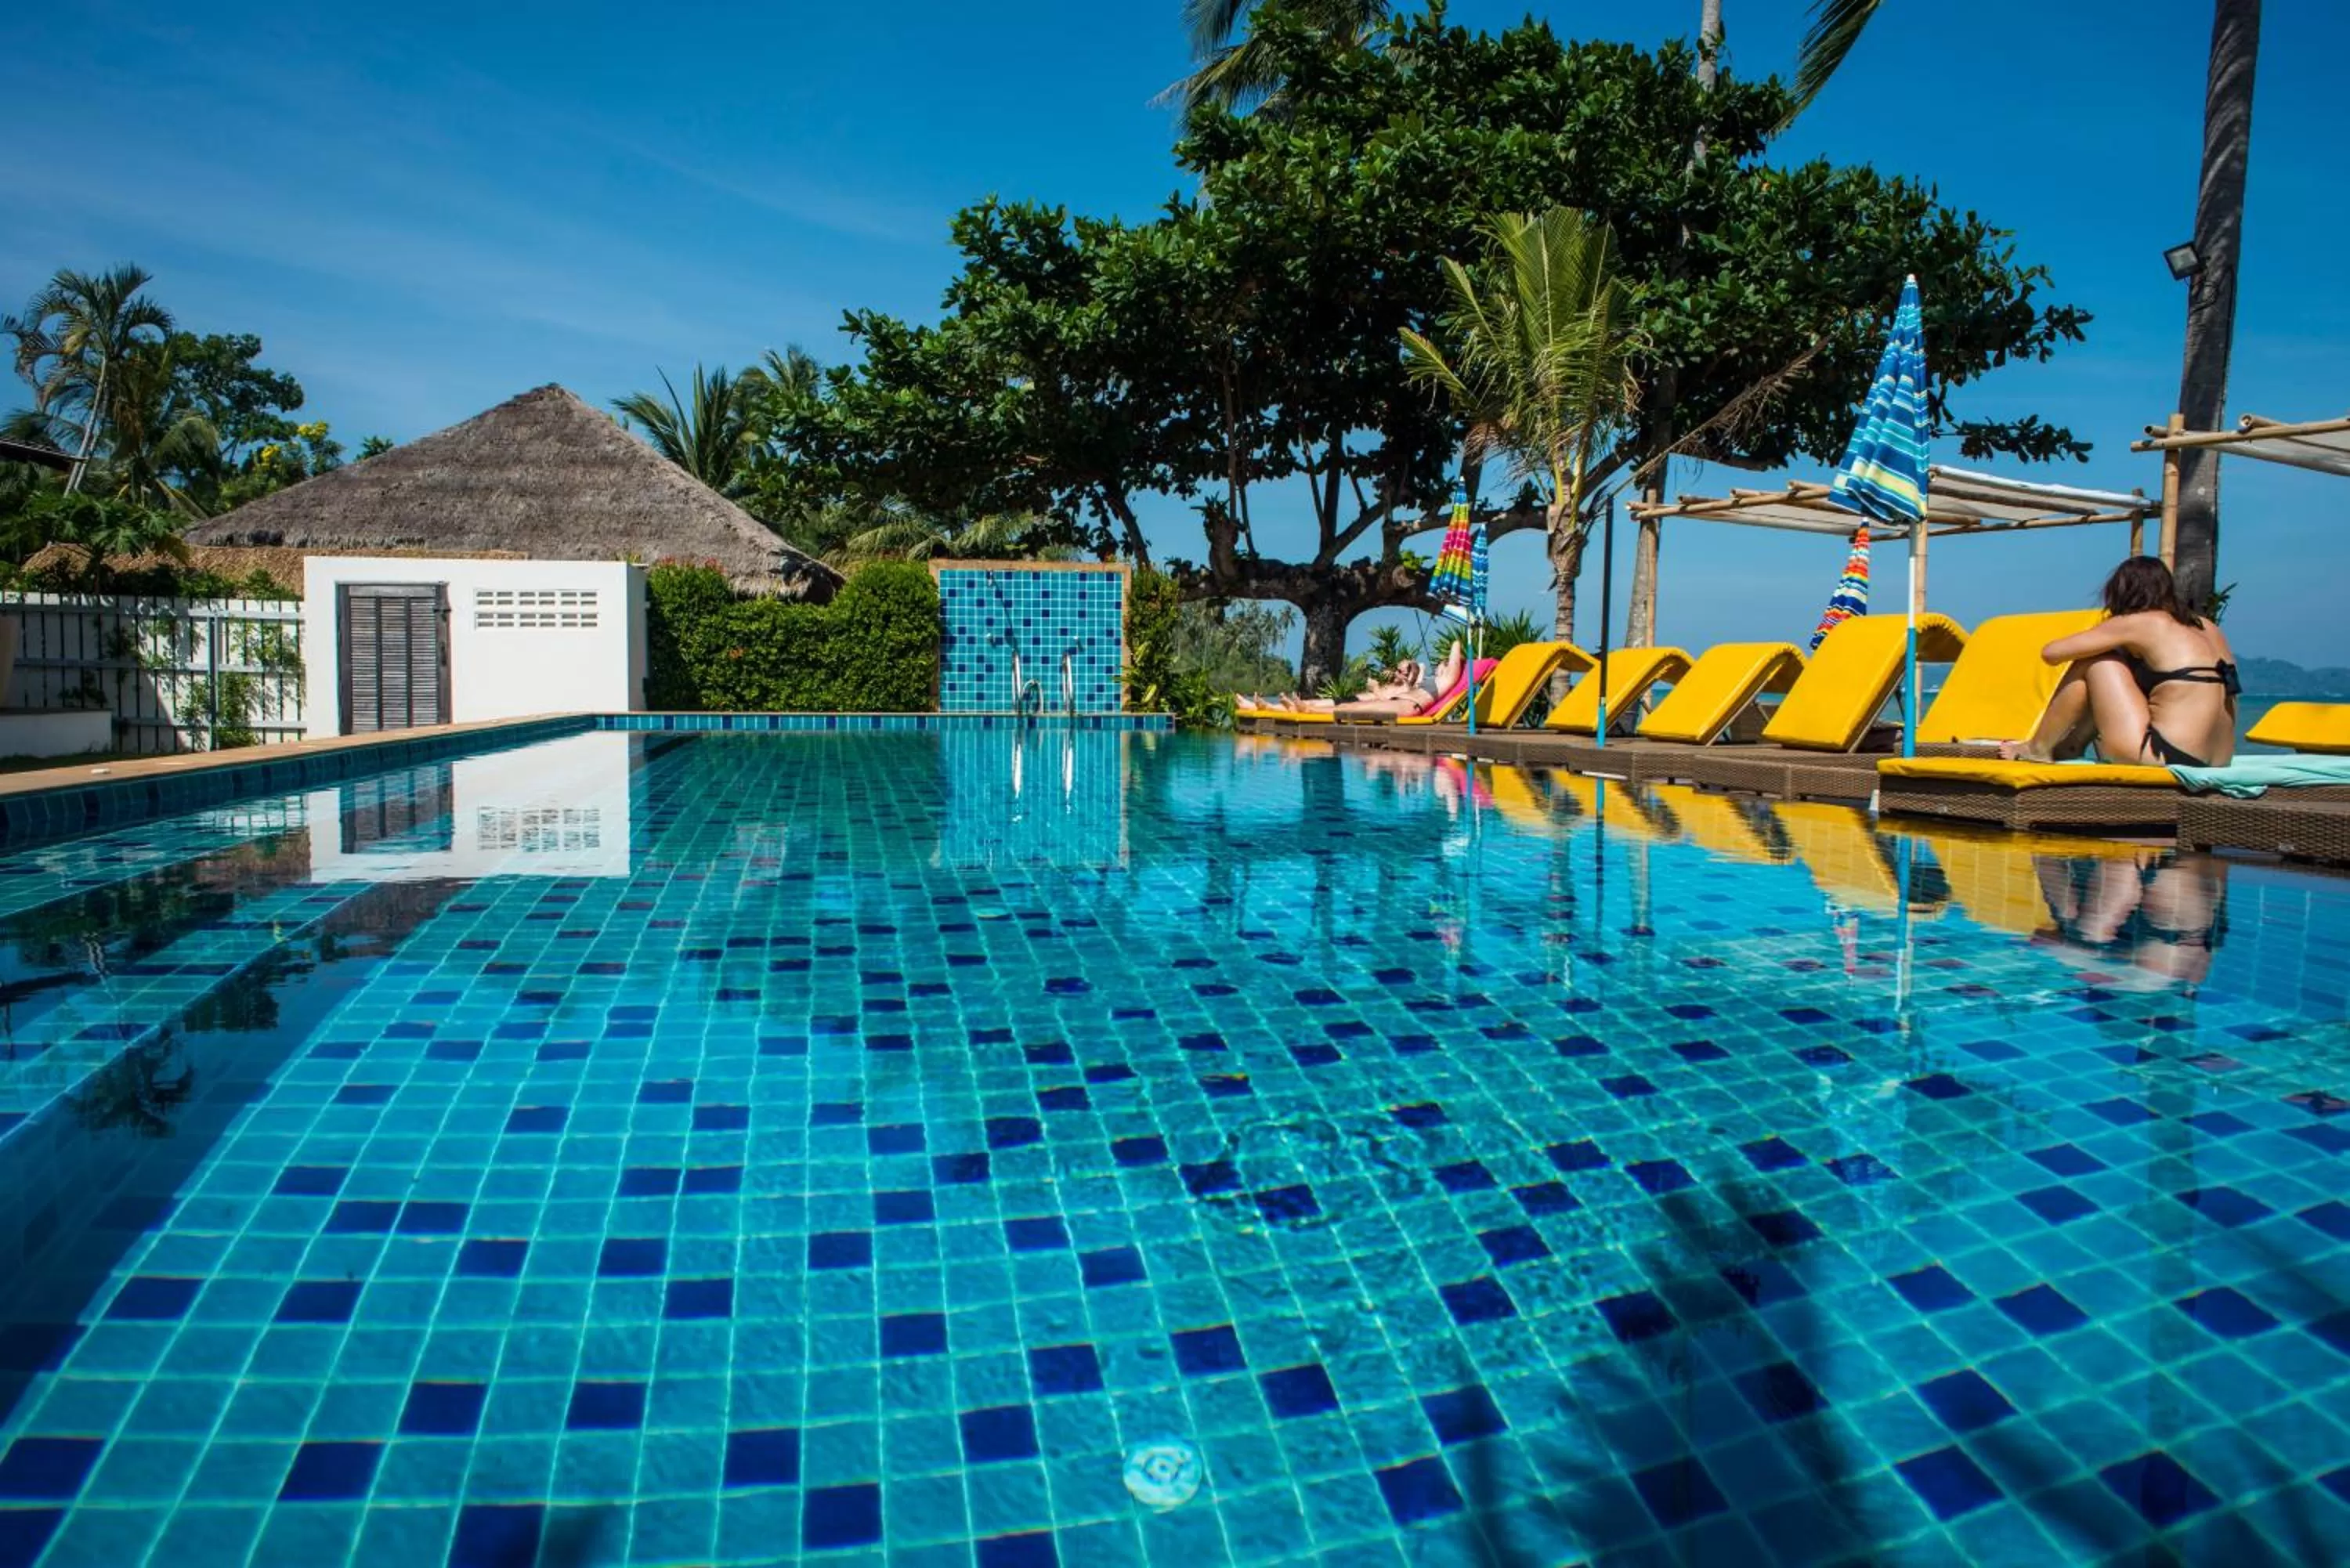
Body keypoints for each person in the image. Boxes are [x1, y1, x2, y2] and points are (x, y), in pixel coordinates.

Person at [1998, 557, 2239, 768]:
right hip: (2219, 759)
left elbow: (2051, 653)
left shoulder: (2140, 621)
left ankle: (2038, 748)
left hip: (2166, 755)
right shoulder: (2207, 627)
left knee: (2096, 660)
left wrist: (2111, 637)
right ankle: (2071, 745)